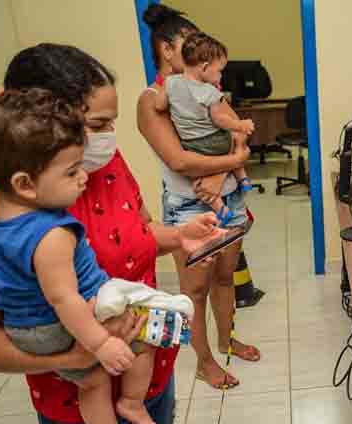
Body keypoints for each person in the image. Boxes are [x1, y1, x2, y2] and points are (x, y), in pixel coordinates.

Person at [0, 43, 220, 424]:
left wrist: (179, 237)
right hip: (81, 400)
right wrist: (75, 358)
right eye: (97, 125)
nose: (108, 137)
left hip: (148, 370)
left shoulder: (100, 164)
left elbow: (137, 235)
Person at [138, 4, 261, 391]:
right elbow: (179, 160)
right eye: (187, 43)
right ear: (167, 50)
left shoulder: (207, 88)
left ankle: (226, 340)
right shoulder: (153, 99)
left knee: (226, 278)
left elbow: (236, 133)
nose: (197, 51)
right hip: (189, 205)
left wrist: (228, 166)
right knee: (195, 289)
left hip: (228, 197)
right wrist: (236, 159)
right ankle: (204, 362)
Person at [153, 30, 256, 210]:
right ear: (205, 67)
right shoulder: (210, 92)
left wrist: (169, 98)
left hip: (191, 145)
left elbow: (159, 105)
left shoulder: (170, 83)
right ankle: (242, 176)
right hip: (215, 142)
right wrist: (240, 125)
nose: (221, 76)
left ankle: (219, 208)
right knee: (232, 139)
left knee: (197, 178)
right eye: (219, 71)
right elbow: (220, 121)